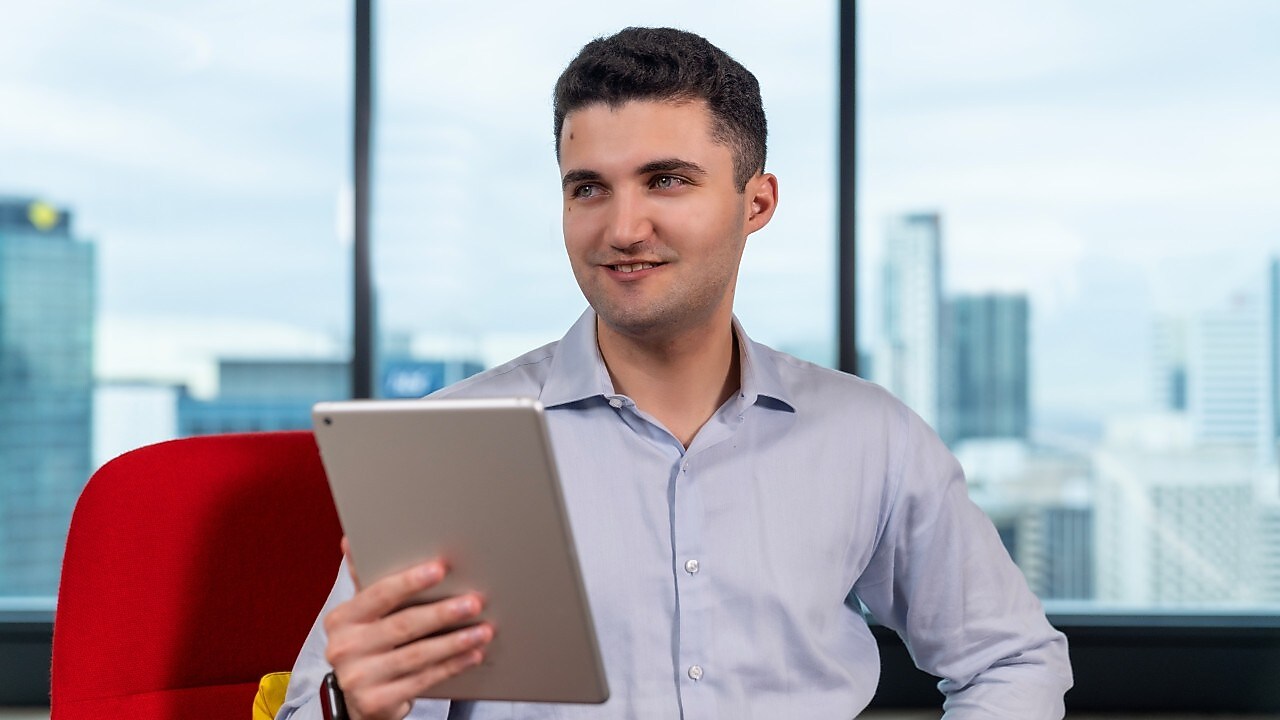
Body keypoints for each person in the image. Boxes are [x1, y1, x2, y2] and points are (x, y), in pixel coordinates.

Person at [278, 26, 1072, 720]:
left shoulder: (870, 436)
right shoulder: (452, 448)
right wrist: (357, 708)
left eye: (666, 180)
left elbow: (1011, 658)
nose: (623, 228)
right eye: (589, 189)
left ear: (756, 203)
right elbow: (319, 704)